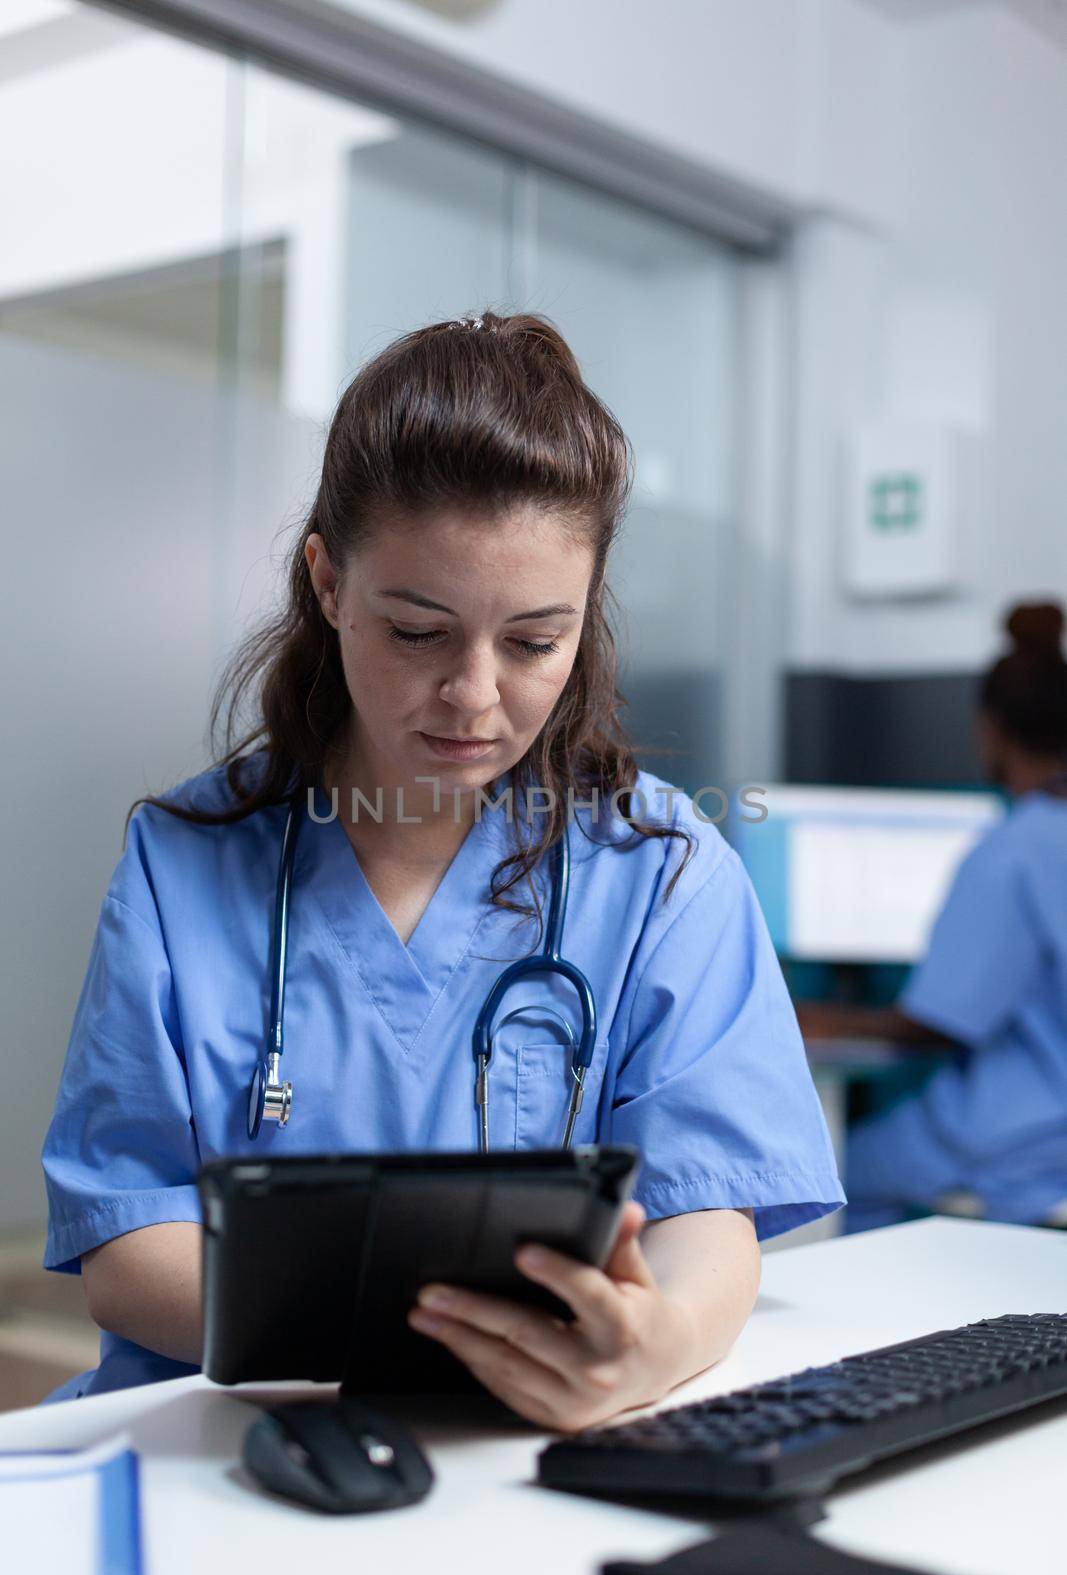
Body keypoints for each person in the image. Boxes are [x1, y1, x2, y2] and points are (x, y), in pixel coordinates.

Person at [42, 311, 844, 1421]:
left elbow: (707, 1215)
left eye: (531, 641)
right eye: (418, 631)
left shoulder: (660, 875)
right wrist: (435, 1342)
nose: (474, 695)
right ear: (327, 583)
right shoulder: (186, 863)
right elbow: (128, 1243)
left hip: (518, 1458)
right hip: (221, 1446)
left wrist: (651, 1346)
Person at [798, 601, 1067, 1233]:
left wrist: (800, 1017)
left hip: (1031, 1127)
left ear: (991, 730)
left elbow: (935, 1024)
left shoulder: (1015, 851)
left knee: (843, 1173)